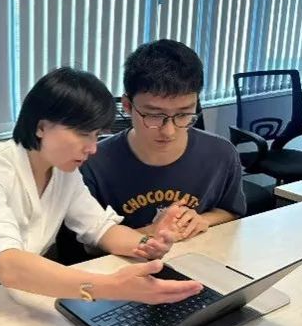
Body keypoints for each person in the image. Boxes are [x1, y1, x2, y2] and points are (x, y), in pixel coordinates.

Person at [0, 67, 202, 310]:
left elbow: (99, 229)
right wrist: (109, 287)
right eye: (83, 134)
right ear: (41, 127)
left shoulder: (63, 170)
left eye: (96, 135)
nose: (92, 148)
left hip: (22, 284)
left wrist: (147, 244)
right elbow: (8, 264)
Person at [81, 39, 246, 242]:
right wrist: (152, 231)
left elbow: (231, 212)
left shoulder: (221, 154)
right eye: (154, 115)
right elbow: (87, 247)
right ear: (127, 106)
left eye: (183, 114)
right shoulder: (92, 163)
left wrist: (202, 220)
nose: (169, 131)